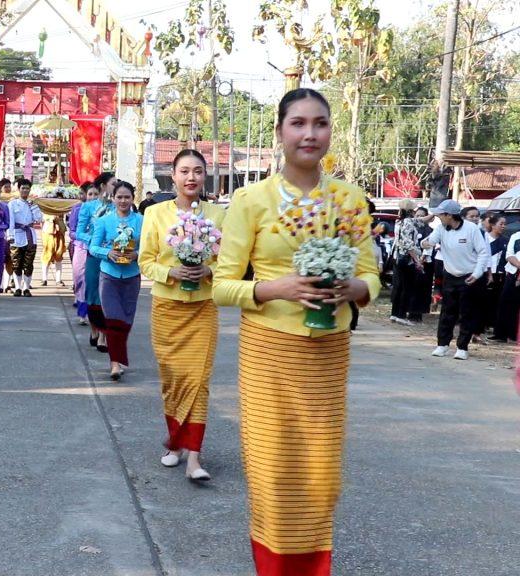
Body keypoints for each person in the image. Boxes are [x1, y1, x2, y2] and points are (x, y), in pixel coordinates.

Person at [212, 88, 380, 576]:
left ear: (331, 130)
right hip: (268, 354)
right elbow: (223, 286)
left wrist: (353, 287)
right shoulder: (250, 200)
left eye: (320, 123)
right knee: (274, 476)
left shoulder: (349, 201)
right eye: (298, 123)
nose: (310, 133)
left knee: (321, 479)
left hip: (328, 356)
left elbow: (370, 275)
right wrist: (274, 288)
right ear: (280, 131)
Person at [138, 149, 226, 481]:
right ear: (172, 176)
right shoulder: (156, 214)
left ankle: (194, 458)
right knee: (173, 380)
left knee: (199, 381)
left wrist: (207, 270)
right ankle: (175, 442)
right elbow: (144, 261)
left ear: (205, 177)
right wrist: (171, 272)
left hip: (203, 307)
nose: (191, 177)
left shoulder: (219, 215)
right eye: (185, 171)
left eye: (198, 171)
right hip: (167, 308)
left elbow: (227, 262)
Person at [421, 199, 489, 361]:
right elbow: (430, 241)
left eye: (441, 215)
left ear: (449, 215)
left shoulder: (471, 229)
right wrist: (424, 243)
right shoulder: (441, 228)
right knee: (447, 312)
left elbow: (483, 253)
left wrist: (478, 273)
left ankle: (462, 347)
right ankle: (442, 344)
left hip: (470, 276)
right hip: (450, 275)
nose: (438, 217)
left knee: (466, 312)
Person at [89, 181, 143, 381]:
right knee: (113, 319)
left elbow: (148, 246)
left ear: (132, 198)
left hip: (131, 276)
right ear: (113, 198)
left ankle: (118, 357)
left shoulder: (141, 221)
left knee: (126, 320)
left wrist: (136, 254)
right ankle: (115, 363)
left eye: (127, 197)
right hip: (109, 276)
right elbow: (93, 248)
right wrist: (107, 253)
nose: (123, 201)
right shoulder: (104, 221)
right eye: (119, 197)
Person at [77, 172, 118, 352]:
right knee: (93, 295)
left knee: (108, 295)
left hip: (113, 257)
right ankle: (95, 328)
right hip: (94, 256)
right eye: (113, 183)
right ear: (103, 186)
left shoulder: (118, 207)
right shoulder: (88, 207)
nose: (116, 186)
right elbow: (79, 232)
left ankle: (104, 335)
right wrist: (95, 240)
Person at [389, 198, 429, 326]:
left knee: (399, 287)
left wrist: (433, 214)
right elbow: (408, 244)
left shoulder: (399, 222)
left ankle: (395, 314)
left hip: (397, 257)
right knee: (407, 288)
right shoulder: (408, 223)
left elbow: (422, 220)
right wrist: (416, 260)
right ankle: (401, 315)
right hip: (406, 259)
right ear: (411, 211)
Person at [7, 178, 42, 296]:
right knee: (16, 263)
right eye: (23, 188)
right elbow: (10, 221)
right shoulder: (12, 203)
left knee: (28, 263)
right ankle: (17, 287)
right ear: (19, 189)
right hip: (17, 235)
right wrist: (10, 235)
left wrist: (33, 206)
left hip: (30, 235)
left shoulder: (33, 204)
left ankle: (26, 287)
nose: (25, 191)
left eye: (27, 188)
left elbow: (39, 218)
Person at [68, 182, 95, 325]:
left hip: (97, 251)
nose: (93, 197)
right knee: (80, 279)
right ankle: (82, 312)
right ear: (85, 195)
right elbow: (72, 232)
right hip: (81, 248)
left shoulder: (106, 210)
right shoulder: (78, 209)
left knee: (93, 282)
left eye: (96, 194)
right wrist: (86, 237)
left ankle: (92, 313)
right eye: (90, 194)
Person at [493, 227, 520, 342]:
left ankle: (516, 335)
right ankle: (502, 334)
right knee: (506, 303)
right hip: (513, 274)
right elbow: (509, 255)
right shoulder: (516, 236)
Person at [481, 214, 507, 338]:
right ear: (492, 224)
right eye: (500, 224)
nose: (503, 226)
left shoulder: (505, 240)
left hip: (500, 274)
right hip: (485, 273)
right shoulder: (483, 238)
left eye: (504, 224)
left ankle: (492, 323)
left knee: (496, 300)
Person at [410, 206, 435, 322]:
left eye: (422, 215)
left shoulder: (430, 231)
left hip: (424, 263)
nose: (419, 218)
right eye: (417, 215)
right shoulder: (410, 228)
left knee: (422, 289)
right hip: (412, 262)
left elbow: (428, 247)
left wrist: (421, 260)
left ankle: (418, 313)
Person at [40, 209, 67, 287]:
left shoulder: (62, 203)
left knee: (59, 255)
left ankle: (58, 279)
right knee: (46, 256)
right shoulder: (46, 205)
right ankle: (44, 279)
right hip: (49, 232)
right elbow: (43, 217)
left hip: (59, 232)